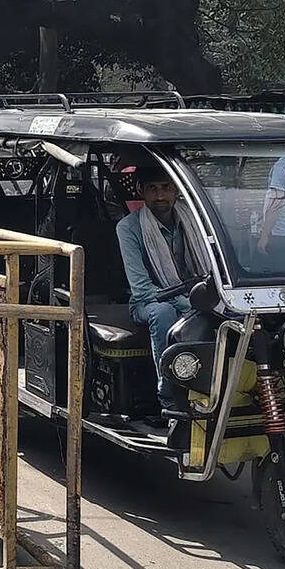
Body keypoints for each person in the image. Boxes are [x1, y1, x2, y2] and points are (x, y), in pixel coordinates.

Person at [116, 164, 209, 416]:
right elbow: (142, 289)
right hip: (148, 303)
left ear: (176, 190)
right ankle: (169, 397)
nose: (160, 196)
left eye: (166, 188)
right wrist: (189, 304)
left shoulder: (193, 220)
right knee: (164, 313)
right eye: (152, 189)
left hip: (193, 295)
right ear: (141, 191)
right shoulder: (128, 228)